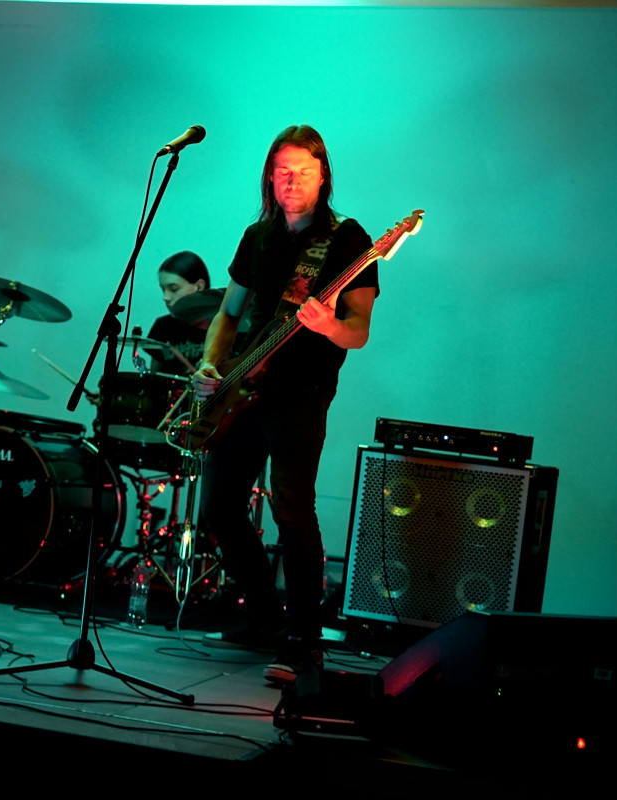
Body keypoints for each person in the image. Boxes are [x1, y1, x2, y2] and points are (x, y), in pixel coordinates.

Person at [192, 126, 378, 683]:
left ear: (323, 177)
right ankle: (264, 617)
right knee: (220, 507)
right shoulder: (257, 236)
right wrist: (210, 365)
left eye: (303, 172)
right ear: (269, 179)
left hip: (302, 392)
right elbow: (228, 314)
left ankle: (304, 641)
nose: (291, 182)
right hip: (245, 388)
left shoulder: (348, 239)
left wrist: (328, 325)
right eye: (282, 172)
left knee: (292, 511)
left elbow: (358, 331)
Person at [145, 251, 212, 375]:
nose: (165, 297)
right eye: (163, 289)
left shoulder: (224, 325)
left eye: (173, 289)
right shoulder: (162, 327)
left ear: (199, 287)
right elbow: (154, 379)